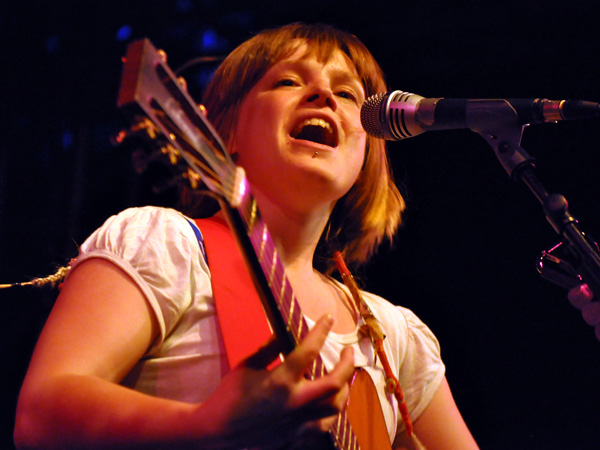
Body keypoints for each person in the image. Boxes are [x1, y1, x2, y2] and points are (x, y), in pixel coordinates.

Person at [14, 23, 479, 449]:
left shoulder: (394, 337)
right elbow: (41, 416)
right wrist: (205, 427)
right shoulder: (169, 245)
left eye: (348, 93)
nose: (323, 94)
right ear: (224, 131)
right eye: (288, 81)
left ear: (366, 155)